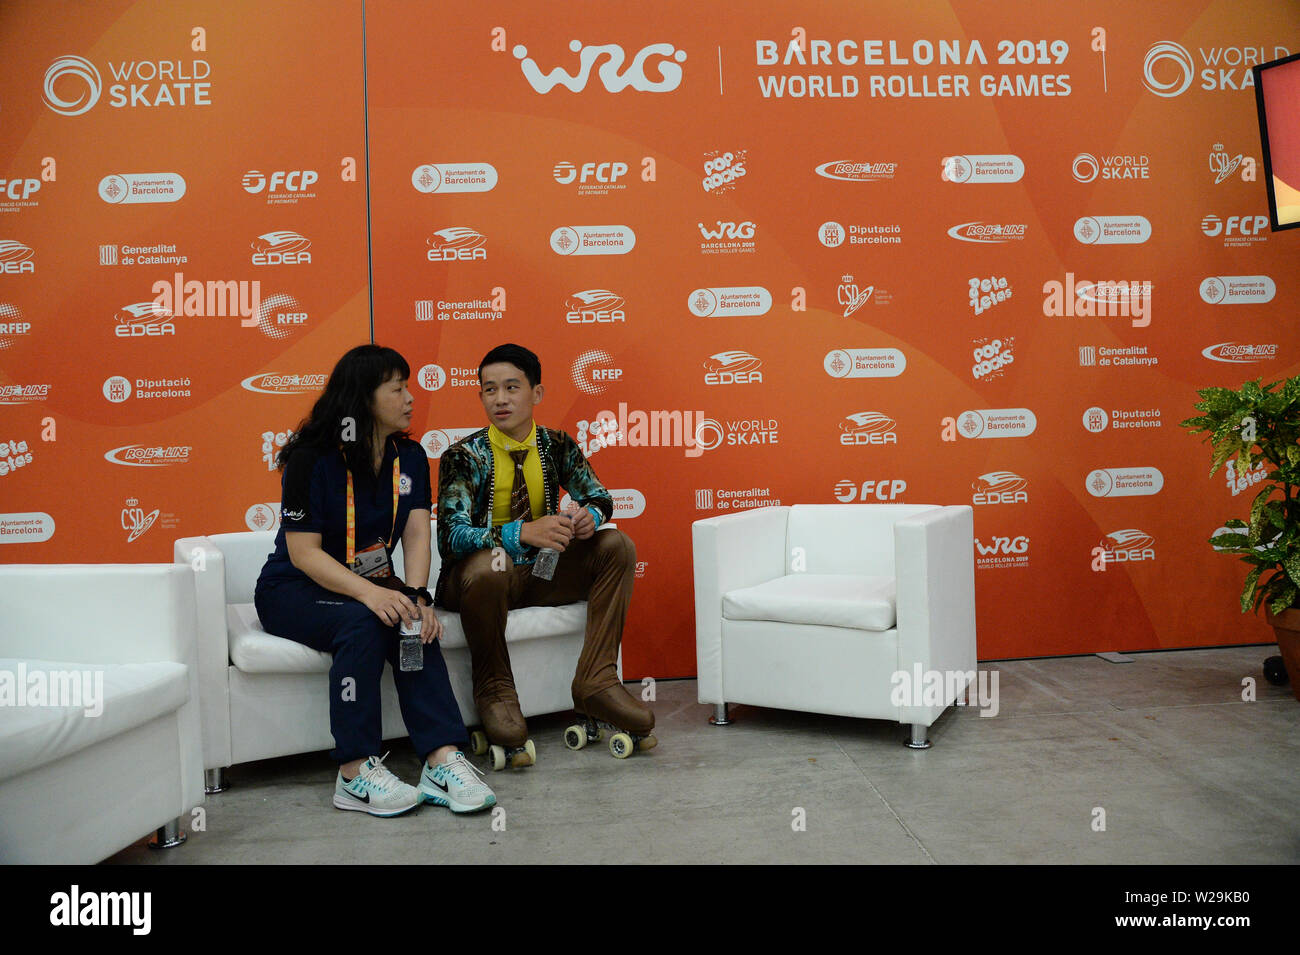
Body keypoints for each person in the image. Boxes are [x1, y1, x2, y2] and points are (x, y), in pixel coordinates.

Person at [254, 344, 496, 817]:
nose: (410, 397)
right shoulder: (311, 459)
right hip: (295, 588)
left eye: (407, 386)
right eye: (397, 388)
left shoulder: (407, 456)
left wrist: (419, 595)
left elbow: (416, 534)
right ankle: (353, 772)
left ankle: (442, 758)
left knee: (412, 620)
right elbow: (304, 554)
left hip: (372, 583)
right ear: (365, 398)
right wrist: (371, 593)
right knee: (363, 623)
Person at [435, 343, 653, 766]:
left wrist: (591, 514)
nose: (500, 399)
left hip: (539, 574)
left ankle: (597, 680)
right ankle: (495, 690)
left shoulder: (556, 445)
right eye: (489, 389)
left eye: (512, 387)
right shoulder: (463, 456)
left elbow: (600, 495)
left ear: (536, 393)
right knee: (489, 566)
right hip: (478, 585)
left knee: (615, 546)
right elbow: (450, 536)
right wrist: (520, 533)